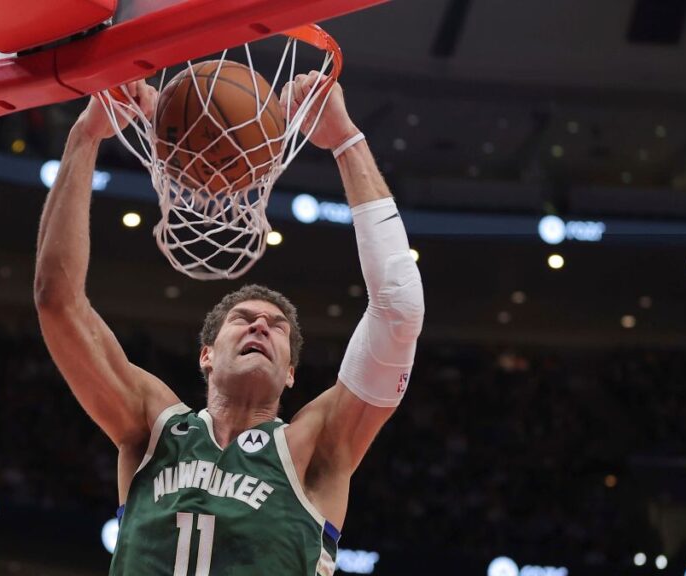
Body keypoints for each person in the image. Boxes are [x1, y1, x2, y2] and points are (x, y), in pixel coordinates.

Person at [34, 71, 425, 575]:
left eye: (277, 327)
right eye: (243, 319)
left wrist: (346, 141)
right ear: (206, 354)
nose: (261, 326)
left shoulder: (312, 448)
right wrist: (86, 134)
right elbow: (57, 301)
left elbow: (398, 308)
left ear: (290, 374)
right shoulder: (152, 428)